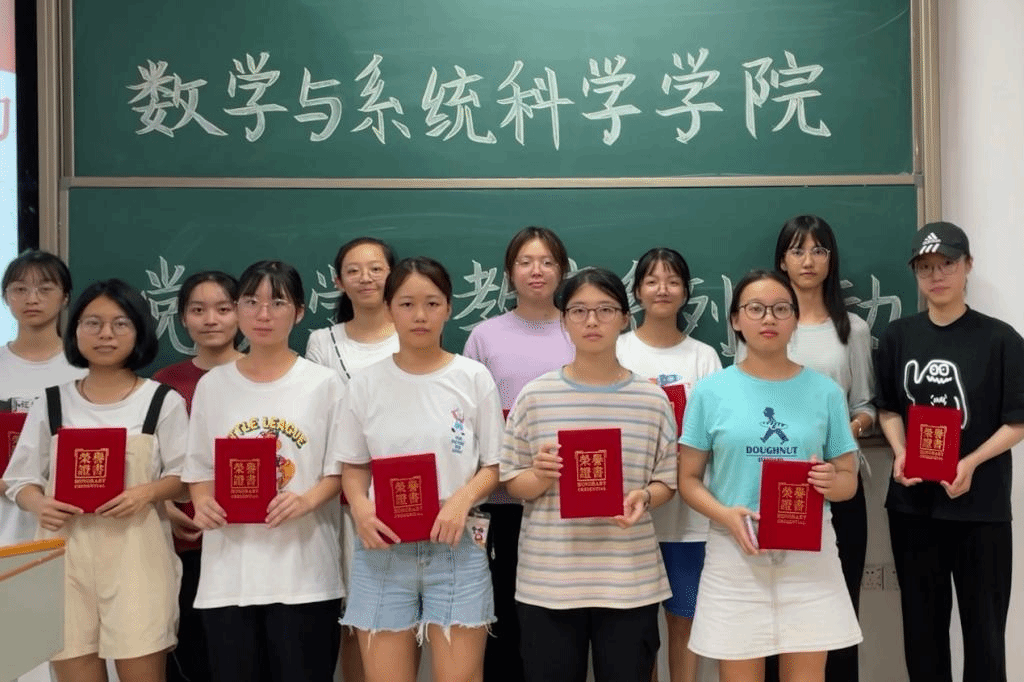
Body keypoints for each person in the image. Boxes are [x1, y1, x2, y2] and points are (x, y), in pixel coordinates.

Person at [677, 270, 862, 682]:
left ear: (795, 319)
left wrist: (832, 481)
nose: (769, 318)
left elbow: (847, 480)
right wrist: (726, 515)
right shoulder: (710, 392)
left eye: (781, 309)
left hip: (809, 556)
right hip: (735, 553)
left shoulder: (826, 392)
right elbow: (688, 479)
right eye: (756, 309)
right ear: (736, 320)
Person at [4, 278, 188, 682]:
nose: (106, 334)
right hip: (62, 559)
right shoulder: (52, 401)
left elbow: (186, 478)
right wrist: (39, 502)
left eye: (120, 324)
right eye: (93, 323)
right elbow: (20, 479)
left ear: (139, 332)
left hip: (138, 559)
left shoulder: (162, 401)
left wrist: (148, 492)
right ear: (75, 332)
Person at [501, 267, 677, 682]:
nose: (592, 321)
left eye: (605, 310)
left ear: (625, 318)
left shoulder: (652, 399)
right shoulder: (535, 396)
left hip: (629, 580)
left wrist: (644, 497)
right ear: (563, 321)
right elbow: (511, 480)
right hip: (549, 582)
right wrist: (540, 475)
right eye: (579, 311)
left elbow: (667, 481)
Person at [336, 256, 502, 682]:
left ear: (449, 308)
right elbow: (353, 465)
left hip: (456, 546)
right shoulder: (365, 383)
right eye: (407, 304)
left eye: (432, 303)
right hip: (382, 549)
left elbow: (494, 464)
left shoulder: (473, 377)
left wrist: (462, 500)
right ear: (389, 309)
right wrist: (361, 509)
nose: (420, 315)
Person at [874, 222, 1024, 682]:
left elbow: (1017, 421)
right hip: (914, 506)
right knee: (922, 632)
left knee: (985, 634)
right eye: (925, 268)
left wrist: (971, 462)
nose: (936, 276)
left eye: (947, 264)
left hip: (981, 507)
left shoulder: (1001, 339)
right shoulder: (898, 336)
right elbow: (888, 409)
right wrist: (900, 451)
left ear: (968, 266)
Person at [182, 260, 345, 682]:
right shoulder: (213, 385)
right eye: (251, 302)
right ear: (238, 309)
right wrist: (202, 501)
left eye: (278, 302)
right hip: (228, 577)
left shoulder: (324, 384)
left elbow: (340, 469)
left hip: (304, 575)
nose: (264, 314)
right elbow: (198, 468)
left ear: (300, 311)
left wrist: (306, 500)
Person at [737, 216, 875, 682]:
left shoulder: (852, 329)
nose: (808, 260)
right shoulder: (763, 323)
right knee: (771, 609)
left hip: (834, 480)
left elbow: (866, 404)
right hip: (768, 484)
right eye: (797, 250)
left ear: (831, 260)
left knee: (835, 609)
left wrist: (844, 429)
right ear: (782, 260)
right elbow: (744, 396)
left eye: (818, 250)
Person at [462, 225, 574, 682]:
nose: (536, 271)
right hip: (502, 502)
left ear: (562, 271)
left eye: (547, 262)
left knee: (558, 628)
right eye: (525, 262)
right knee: (503, 621)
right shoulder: (484, 337)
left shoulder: (581, 329)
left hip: (569, 502)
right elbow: (468, 421)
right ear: (509, 272)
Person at [615, 247, 721, 682]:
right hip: (629, 518)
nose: (662, 289)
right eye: (652, 281)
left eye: (673, 281)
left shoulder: (704, 357)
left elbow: (716, 434)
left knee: (684, 623)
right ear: (637, 291)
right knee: (638, 634)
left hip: (689, 521)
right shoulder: (617, 350)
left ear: (685, 292)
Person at [304, 236, 399, 682]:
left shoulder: (413, 331)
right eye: (354, 270)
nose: (366, 278)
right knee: (354, 613)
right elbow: (318, 421)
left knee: (401, 610)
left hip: (407, 491)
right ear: (338, 281)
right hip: (342, 496)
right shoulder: (321, 342)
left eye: (376, 268)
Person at [152, 270, 244, 682]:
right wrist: (167, 508)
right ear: (182, 318)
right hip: (182, 544)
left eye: (223, 309)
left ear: (241, 313)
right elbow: (148, 464)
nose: (211, 320)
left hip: (249, 543)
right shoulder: (164, 384)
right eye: (198, 310)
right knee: (192, 659)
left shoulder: (264, 376)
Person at [1, 251, 86, 545]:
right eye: (20, 289)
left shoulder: (85, 370)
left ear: (65, 298)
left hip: (68, 525)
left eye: (45, 289)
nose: (32, 299)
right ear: (6, 297)